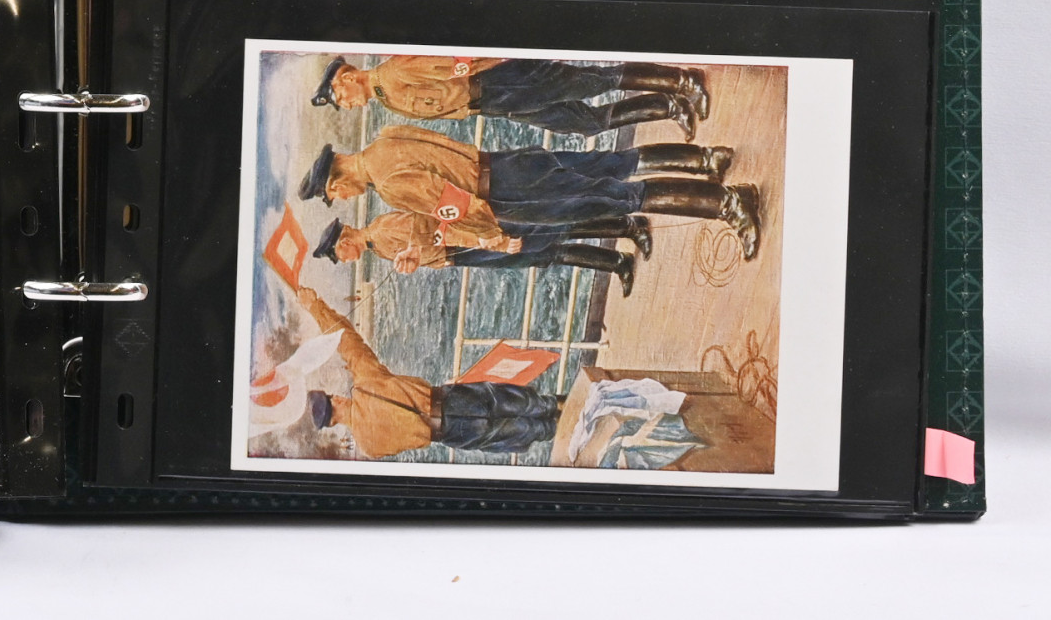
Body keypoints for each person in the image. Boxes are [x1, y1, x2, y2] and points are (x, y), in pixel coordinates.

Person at [298, 122, 758, 259]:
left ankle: (728, 203)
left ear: (336, 182)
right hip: (504, 163)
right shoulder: (386, 137)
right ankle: (714, 174)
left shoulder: (388, 185)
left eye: (336, 195)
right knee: (607, 173)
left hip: (507, 194)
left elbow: (456, 204)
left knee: (613, 197)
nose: (344, 199)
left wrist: (493, 239)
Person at [292, 286, 559, 457]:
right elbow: (346, 341)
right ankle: (558, 405)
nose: (340, 397)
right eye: (335, 398)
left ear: (332, 424)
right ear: (336, 401)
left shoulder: (369, 447)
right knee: (530, 403)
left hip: (450, 433)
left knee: (524, 431)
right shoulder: (365, 386)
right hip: (451, 400)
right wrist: (315, 306)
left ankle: (555, 429)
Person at [311, 54, 708, 139]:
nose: (347, 106)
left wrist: (506, 60)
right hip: (494, 104)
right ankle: (667, 106)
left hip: (499, 81)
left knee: (591, 82)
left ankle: (681, 82)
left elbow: (458, 63)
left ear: (348, 77)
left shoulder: (394, 72)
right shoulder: (386, 98)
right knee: (581, 123)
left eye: (341, 98)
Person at [311, 210, 649, 294]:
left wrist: (487, 241)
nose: (345, 260)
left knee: (551, 233)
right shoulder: (377, 244)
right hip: (462, 254)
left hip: (466, 243)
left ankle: (628, 226)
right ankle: (616, 262)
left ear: (344, 243)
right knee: (545, 254)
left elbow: (435, 229)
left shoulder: (382, 231)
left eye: (339, 255)